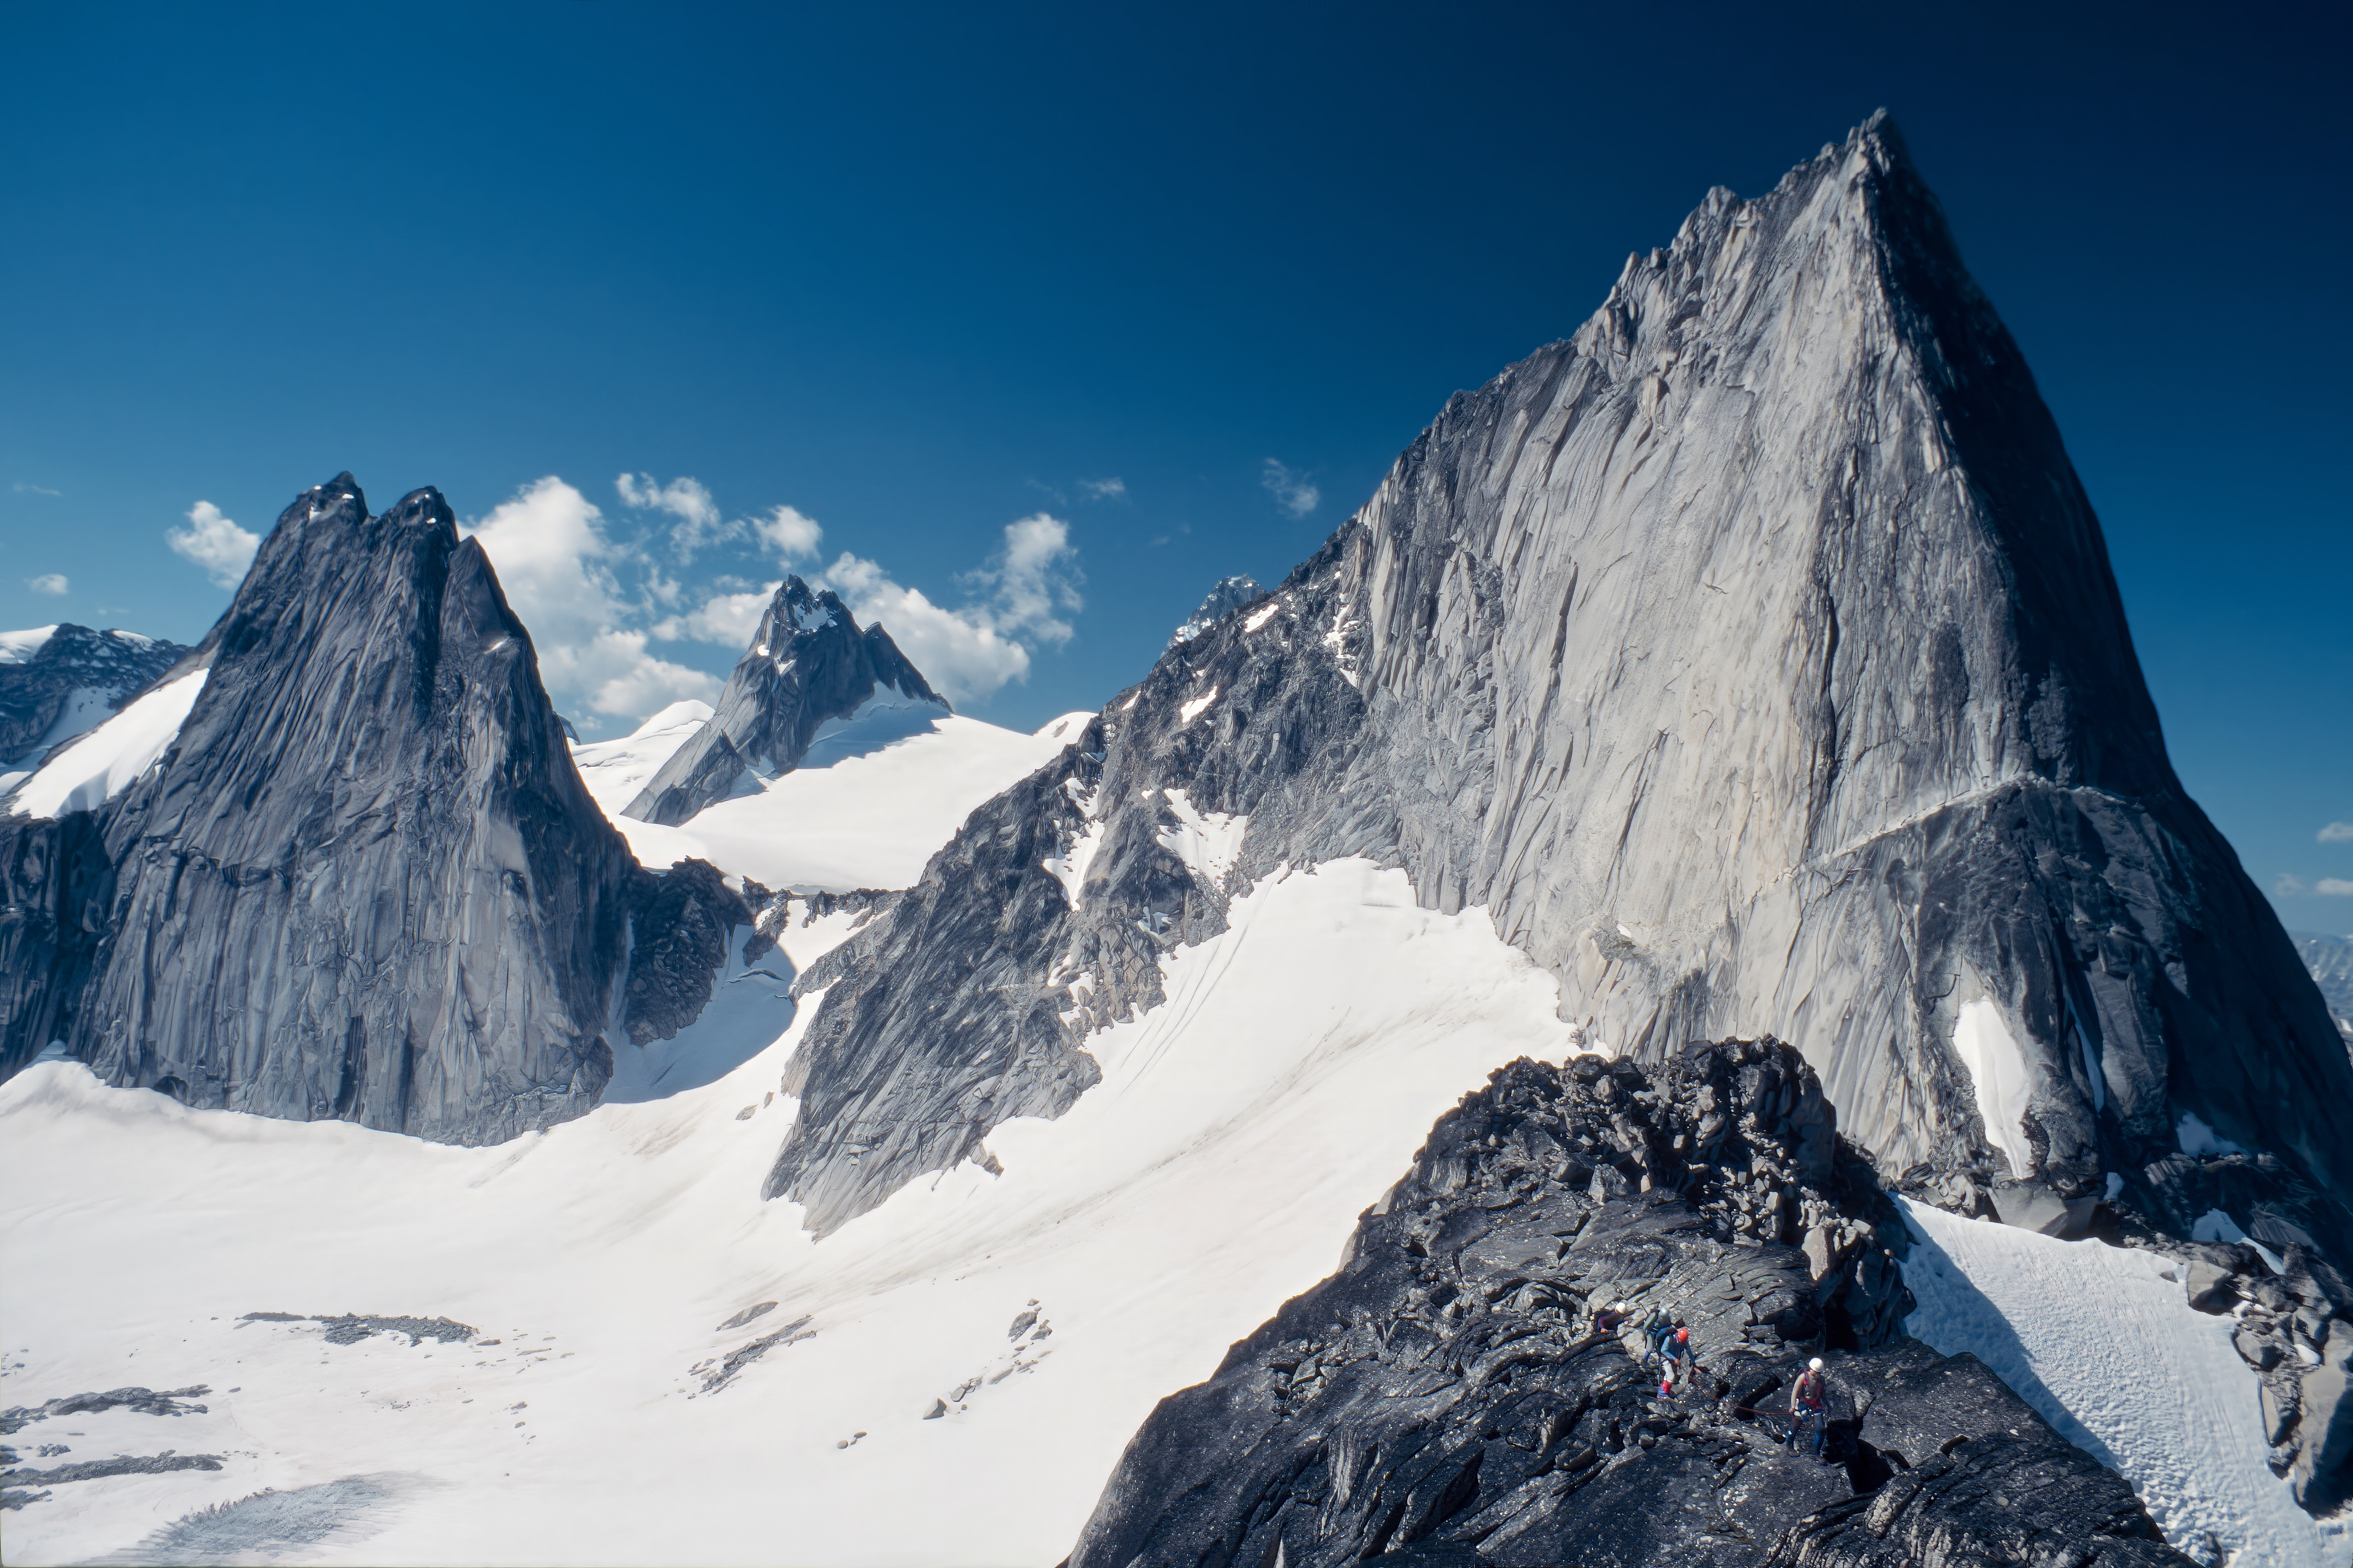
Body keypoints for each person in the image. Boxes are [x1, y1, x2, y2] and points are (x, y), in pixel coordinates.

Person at [1788, 1356, 1828, 1459]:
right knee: (1797, 1421)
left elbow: (1823, 1394)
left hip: (1816, 1405)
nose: (1815, 1374)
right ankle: (1789, 1445)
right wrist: (1793, 1407)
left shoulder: (1820, 1380)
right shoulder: (1803, 1377)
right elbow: (1795, 1392)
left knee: (1820, 1428)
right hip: (1803, 1403)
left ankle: (1816, 1453)